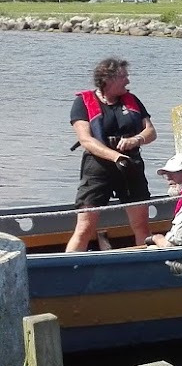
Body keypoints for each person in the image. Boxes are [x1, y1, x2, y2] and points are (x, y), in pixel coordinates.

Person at [67, 57, 156, 251]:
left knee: (142, 226)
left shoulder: (132, 100)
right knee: (85, 228)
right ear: (107, 79)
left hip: (130, 164)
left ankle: (145, 267)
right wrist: (115, 156)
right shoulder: (82, 102)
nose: (128, 81)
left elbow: (151, 132)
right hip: (98, 167)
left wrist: (136, 140)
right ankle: (68, 269)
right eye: (123, 77)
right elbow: (86, 140)